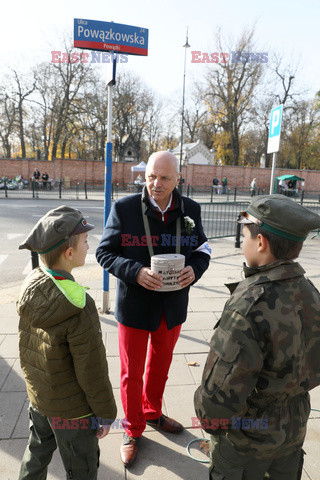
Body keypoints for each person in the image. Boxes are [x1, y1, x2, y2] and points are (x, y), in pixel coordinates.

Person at [96, 151, 211, 467]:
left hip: (172, 308)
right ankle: (132, 429)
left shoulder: (191, 210)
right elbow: (104, 253)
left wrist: (195, 269)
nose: (155, 184)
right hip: (135, 307)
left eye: (163, 178)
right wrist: (135, 272)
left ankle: (153, 412)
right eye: (151, 177)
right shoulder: (125, 209)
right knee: (131, 371)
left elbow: (203, 249)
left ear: (177, 178)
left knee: (160, 366)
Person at [194, 194, 320, 480]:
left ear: (261, 242)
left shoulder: (249, 305)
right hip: (293, 429)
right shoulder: (310, 290)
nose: (243, 241)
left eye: (245, 234)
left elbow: (216, 405)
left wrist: (203, 409)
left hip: (246, 444)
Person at [17, 205, 117, 480]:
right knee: (82, 466)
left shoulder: (32, 283)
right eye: (85, 241)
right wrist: (107, 412)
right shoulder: (78, 305)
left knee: (36, 453)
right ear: (69, 253)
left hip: (40, 399)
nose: (89, 245)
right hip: (73, 413)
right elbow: (92, 370)